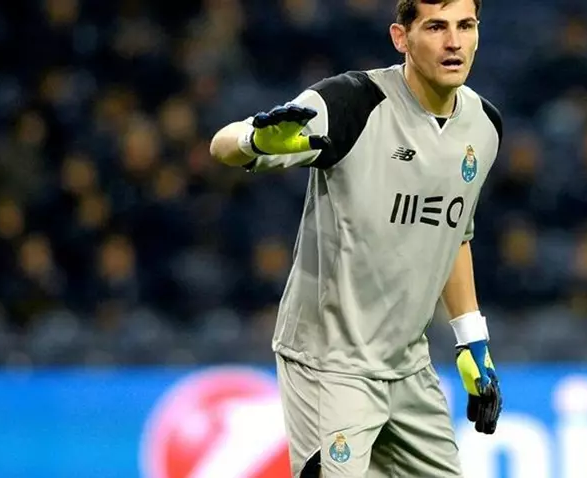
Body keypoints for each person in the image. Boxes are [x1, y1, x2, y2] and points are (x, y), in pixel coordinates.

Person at [209, 0, 501, 476]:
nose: (454, 43)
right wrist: (254, 141)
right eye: (435, 27)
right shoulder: (351, 103)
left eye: (465, 26)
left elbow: (453, 234)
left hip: (408, 364)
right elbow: (222, 145)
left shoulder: (484, 126)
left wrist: (473, 341)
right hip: (330, 364)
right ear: (401, 38)